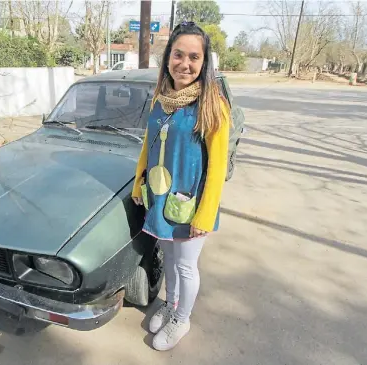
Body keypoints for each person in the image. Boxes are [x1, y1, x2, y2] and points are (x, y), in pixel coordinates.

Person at [131, 21, 231, 351]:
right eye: (178, 55)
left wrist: (205, 215)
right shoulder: (162, 99)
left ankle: (182, 319)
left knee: (186, 265)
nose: (184, 64)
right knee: (170, 260)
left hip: (192, 206)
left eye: (194, 57)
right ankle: (171, 305)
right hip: (161, 200)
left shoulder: (212, 103)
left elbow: (216, 167)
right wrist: (138, 183)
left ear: (204, 63)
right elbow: (148, 145)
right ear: (168, 57)